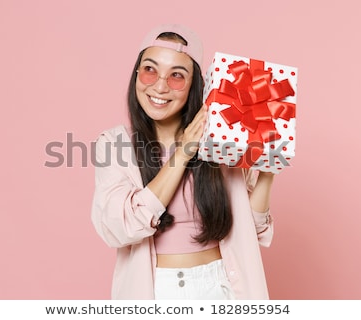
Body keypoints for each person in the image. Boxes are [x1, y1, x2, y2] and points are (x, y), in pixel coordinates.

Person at [91, 24, 275, 300]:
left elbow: (253, 227)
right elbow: (120, 227)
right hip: (158, 291)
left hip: (221, 285)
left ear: (193, 86)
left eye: (177, 75)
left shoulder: (220, 140)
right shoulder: (115, 144)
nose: (160, 85)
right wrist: (184, 150)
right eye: (150, 69)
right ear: (136, 75)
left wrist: (270, 170)